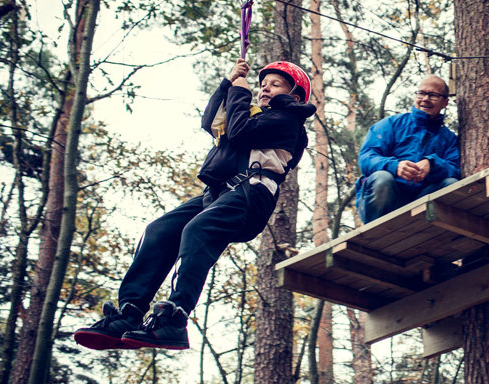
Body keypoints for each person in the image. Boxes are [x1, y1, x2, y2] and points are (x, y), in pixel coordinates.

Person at [73, 58, 316, 351]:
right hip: (219, 193)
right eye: (263, 84)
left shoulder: (287, 121)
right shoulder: (253, 114)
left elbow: (239, 132)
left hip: (252, 194)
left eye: (275, 85)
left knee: (197, 230)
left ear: (294, 96)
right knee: (159, 231)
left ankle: (175, 317)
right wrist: (228, 83)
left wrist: (240, 92)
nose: (265, 89)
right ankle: (130, 311)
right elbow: (210, 122)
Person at [355, 75, 461, 224]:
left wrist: (432, 164)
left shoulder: (448, 138)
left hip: (420, 202)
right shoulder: (391, 124)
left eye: (433, 95)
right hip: (384, 201)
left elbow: (455, 169)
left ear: (445, 102)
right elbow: (366, 158)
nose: (425, 99)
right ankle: (375, 231)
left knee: (451, 184)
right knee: (382, 178)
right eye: (421, 93)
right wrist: (395, 166)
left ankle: (430, 231)